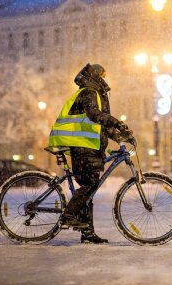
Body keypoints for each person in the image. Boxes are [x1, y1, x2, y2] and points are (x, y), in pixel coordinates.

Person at [49, 63, 133, 244]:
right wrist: (118, 123)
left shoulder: (94, 92)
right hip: (81, 146)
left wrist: (120, 137)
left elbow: (101, 125)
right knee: (91, 184)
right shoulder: (89, 92)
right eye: (102, 75)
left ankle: (87, 233)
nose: (104, 79)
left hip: (88, 146)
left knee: (89, 186)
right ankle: (69, 215)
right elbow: (94, 115)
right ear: (95, 76)